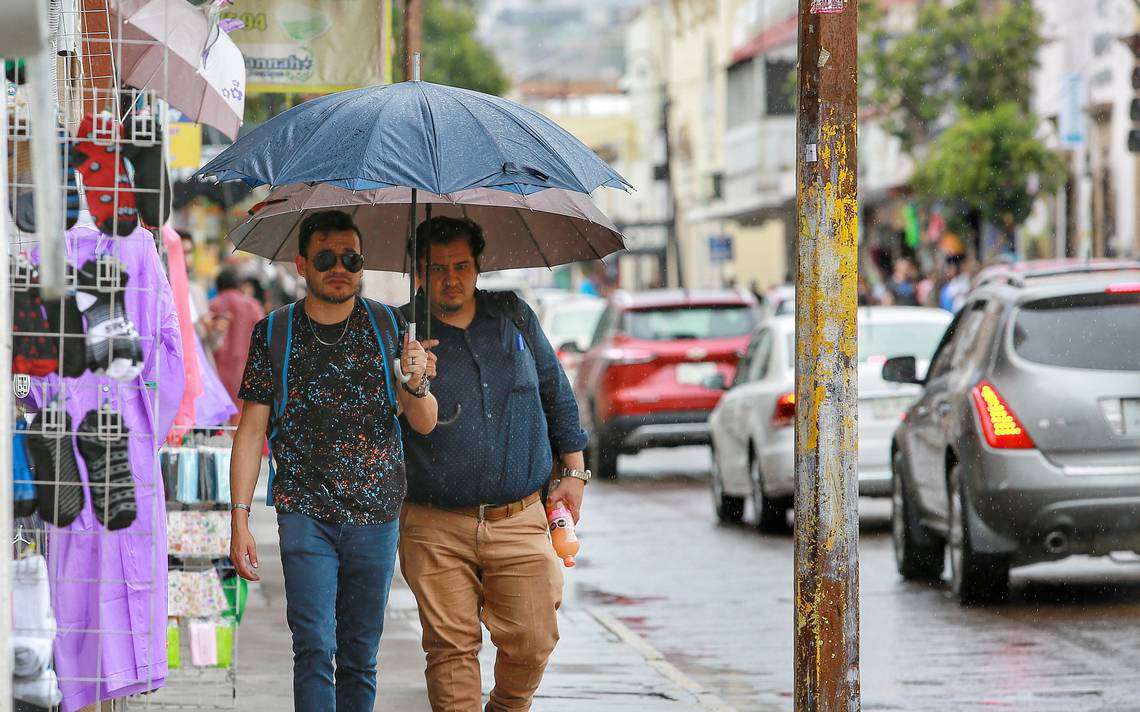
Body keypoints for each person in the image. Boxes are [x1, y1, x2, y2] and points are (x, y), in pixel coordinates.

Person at [227, 210, 439, 711]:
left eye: (351, 257)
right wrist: (238, 518)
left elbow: (424, 421)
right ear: (302, 264)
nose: (339, 266)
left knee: (360, 656)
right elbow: (251, 428)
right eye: (326, 257)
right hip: (304, 512)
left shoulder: (391, 326)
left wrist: (415, 381)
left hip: (377, 515)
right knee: (315, 648)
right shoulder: (274, 333)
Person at [398, 216, 589, 712]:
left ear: (479, 266)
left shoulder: (514, 315)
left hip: (519, 515)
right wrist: (409, 377)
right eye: (437, 268)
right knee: (451, 651)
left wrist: (573, 470)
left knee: (533, 637)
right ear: (419, 272)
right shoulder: (403, 329)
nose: (450, 278)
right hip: (433, 523)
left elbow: (554, 390)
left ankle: (507, 705)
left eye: (461, 266)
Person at [209, 268, 264, 410]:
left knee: (220, 422)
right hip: (247, 370)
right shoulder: (253, 305)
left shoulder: (214, 304)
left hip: (217, 371)